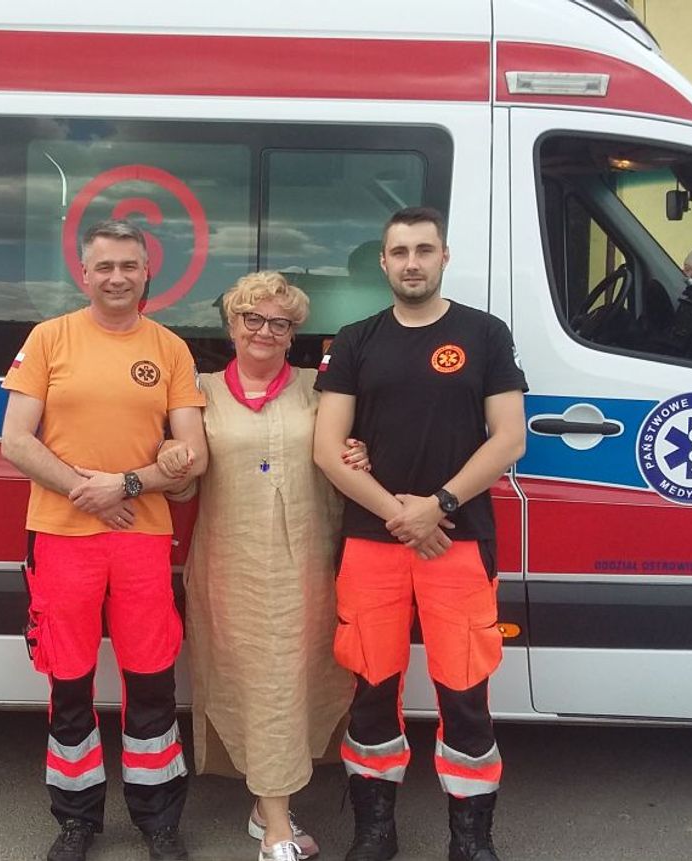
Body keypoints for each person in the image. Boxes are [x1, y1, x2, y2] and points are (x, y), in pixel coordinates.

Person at [312, 206, 527, 861]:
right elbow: (327, 448)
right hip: (373, 544)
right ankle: (375, 831)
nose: (412, 263)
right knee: (372, 690)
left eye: (424, 250)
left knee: (465, 694)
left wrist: (439, 504)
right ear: (384, 262)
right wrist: (403, 517)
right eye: (400, 252)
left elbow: (509, 438)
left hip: (458, 541)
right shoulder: (355, 340)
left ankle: (471, 839)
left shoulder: (485, 334)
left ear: (443, 256)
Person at [0, 220, 208, 861]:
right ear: (84, 274)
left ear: (147, 274)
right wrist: (82, 490)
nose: (117, 277)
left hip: (142, 539)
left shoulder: (170, 349)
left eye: (129, 266)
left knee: (151, 680)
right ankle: (76, 819)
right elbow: (15, 440)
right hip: (62, 536)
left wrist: (126, 484)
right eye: (105, 266)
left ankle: (158, 820)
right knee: (69, 680)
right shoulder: (48, 339)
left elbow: (194, 455)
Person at [156, 272, 367, 861]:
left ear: (294, 333)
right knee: (261, 684)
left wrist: (359, 453)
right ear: (231, 325)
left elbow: (343, 461)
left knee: (296, 684)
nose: (265, 331)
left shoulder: (321, 389)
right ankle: (276, 826)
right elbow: (184, 485)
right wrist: (172, 462)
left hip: (309, 567)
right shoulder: (197, 392)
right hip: (232, 568)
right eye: (253, 318)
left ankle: (265, 808)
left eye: (281, 322)